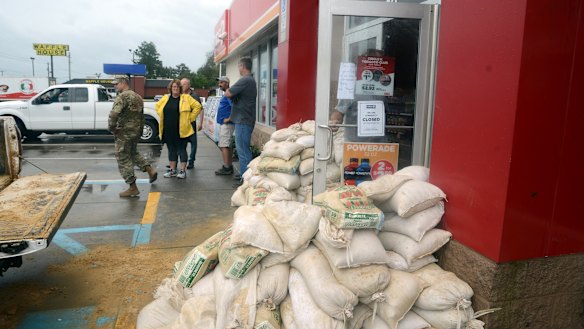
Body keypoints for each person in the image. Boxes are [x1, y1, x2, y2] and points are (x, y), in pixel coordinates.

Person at [108, 76, 157, 197]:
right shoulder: (138, 97)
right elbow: (142, 116)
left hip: (123, 132)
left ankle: (132, 187)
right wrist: (139, 131)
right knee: (133, 153)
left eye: (116, 84)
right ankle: (150, 170)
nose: (115, 86)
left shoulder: (122, 97)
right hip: (135, 131)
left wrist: (112, 128)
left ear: (123, 83)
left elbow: (114, 114)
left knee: (123, 157)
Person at [155, 79, 201, 179]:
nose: (175, 89)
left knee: (181, 150)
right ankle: (172, 170)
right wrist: (162, 115)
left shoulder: (186, 98)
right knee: (171, 150)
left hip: (182, 130)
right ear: (170, 88)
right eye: (173, 87)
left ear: (180, 88)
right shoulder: (165, 98)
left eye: (177, 87)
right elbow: (157, 107)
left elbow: (198, 106)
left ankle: (182, 171)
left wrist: (190, 118)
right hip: (168, 129)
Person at [225, 57, 257, 186]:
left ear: (242, 66)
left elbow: (228, 93)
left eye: (238, 66)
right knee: (243, 150)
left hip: (243, 121)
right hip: (244, 120)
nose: (238, 69)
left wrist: (231, 91)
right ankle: (244, 174)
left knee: (243, 151)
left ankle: (245, 180)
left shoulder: (245, 80)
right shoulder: (250, 81)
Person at [180, 78, 203, 169]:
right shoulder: (180, 95)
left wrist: (200, 123)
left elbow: (201, 109)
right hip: (182, 124)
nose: (182, 86)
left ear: (189, 85)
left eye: (184, 84)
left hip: (191, 122)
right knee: (181, 144)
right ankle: (181, 161)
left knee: (193, 143)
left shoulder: (194, 95)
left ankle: (191, 161)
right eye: (181, 84)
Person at [214, 76, 234, 175]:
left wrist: (229, 119)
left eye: (221, 83)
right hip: (224, 123)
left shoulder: (228, 93)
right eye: (219, 83)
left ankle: (227, 167)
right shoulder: (226, 93)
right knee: (226, 145)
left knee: (224, 145)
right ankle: (229, 165)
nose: (219, 85)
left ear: (227, 83)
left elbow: (233, 106)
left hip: (227, 124)